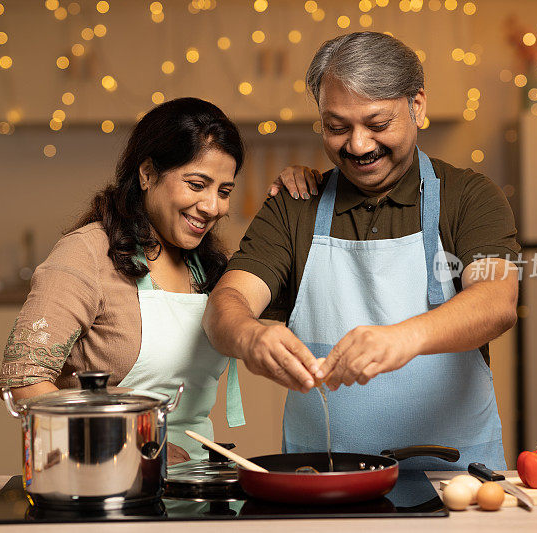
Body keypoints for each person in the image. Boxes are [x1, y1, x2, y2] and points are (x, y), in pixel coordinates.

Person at [203, 32, 520, 471]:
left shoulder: (469, 196)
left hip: (456, 480)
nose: (357, 145)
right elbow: (225, 305)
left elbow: (496, 301)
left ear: (418, 106)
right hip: (323, 482)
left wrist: (402, 337)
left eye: (377, 124)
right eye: (336, 127)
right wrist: (249, 336)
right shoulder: (295, 206)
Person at [0, 97, 315, 464]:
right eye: (197, 185)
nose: (213, 207)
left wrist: (308, 197)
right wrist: (136, 448)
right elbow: (24, 380)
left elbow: (297, 290)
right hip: (106, 480)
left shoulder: (209, 267)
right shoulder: (85, 254)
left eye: (224, 191)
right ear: (147, 174)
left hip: (192, 480)